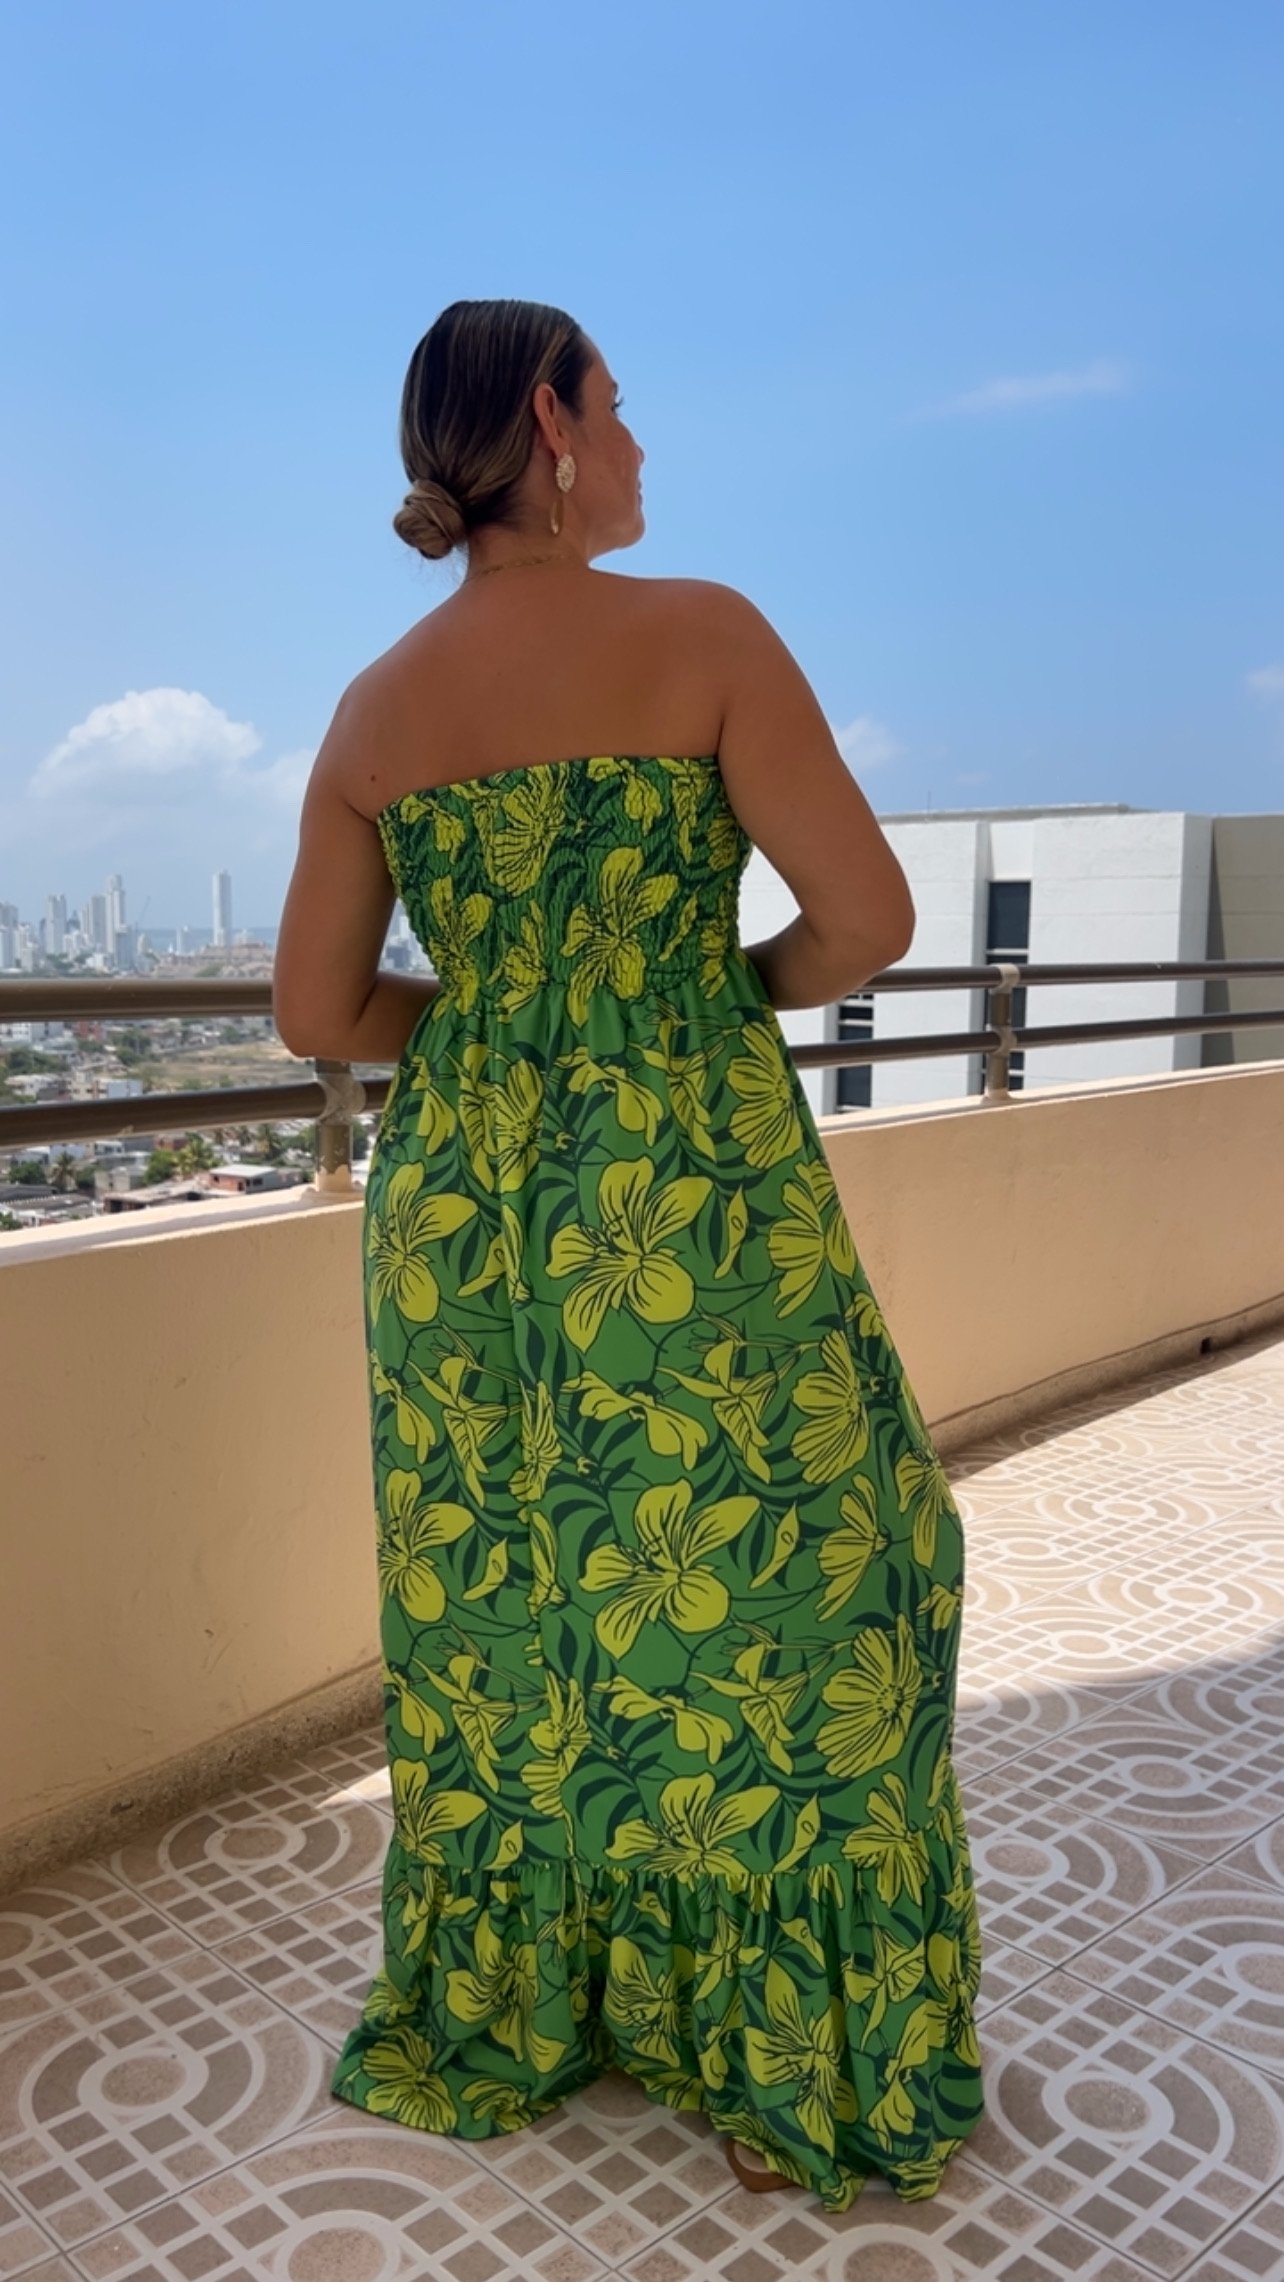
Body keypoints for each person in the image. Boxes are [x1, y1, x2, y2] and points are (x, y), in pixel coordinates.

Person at [272, 297, 984, 2213]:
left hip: (465, 1223)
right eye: (624, 403)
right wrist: (690, 996)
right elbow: (868, 917)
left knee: (518, 1607)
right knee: (809, 1580)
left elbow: (314, 1011)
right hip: (681, 1196)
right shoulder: (707, 636)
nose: (645, 441)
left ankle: (530, 1996)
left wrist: (504, 1021)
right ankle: (783, 2038)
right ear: (552, 418)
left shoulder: (371, 710)